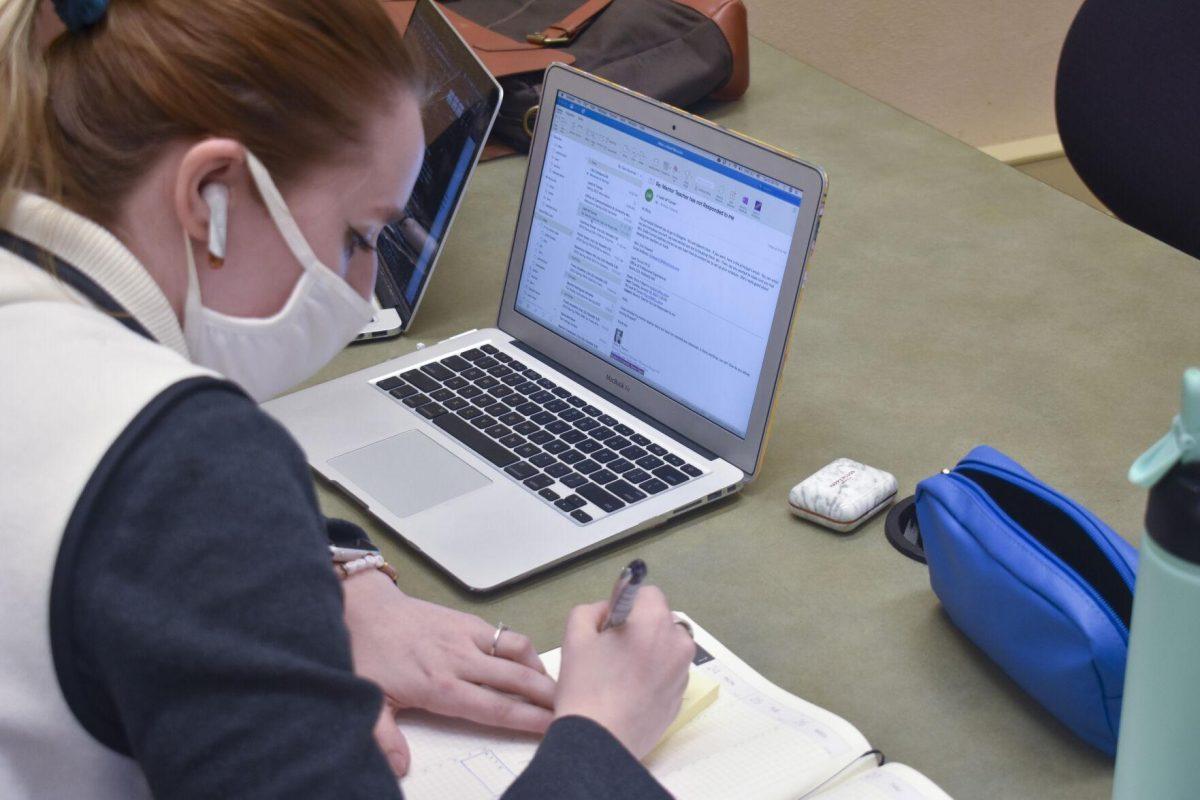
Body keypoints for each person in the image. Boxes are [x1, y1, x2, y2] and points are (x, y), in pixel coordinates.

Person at [0, 1, 696, 797]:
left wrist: (322, 582)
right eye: (359, 238)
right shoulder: (188, 466)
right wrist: (603, 732)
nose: (363, 289)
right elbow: (169, 501)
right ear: (211, 195)